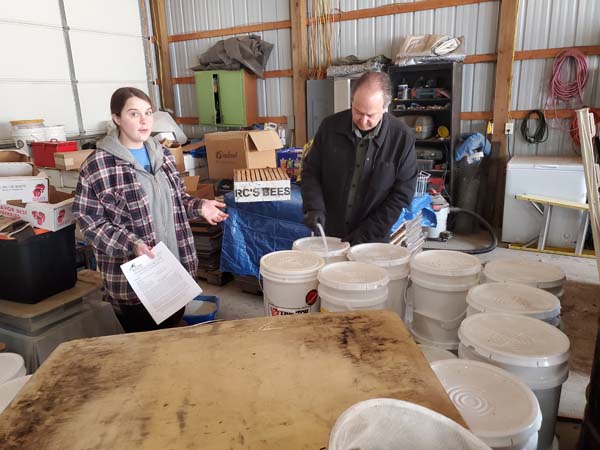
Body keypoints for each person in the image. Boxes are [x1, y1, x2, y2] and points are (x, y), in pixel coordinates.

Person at [73, 87, 228, 333]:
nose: (144, 121)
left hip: (174, 267)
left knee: (171, 332)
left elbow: (178, 200)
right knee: (143, 343)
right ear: (116, 118)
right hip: (135, 280)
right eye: (134, 114)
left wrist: (201, 206)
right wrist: (131, 243)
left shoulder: (162, 154)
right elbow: (90, 222)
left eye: (148, 113)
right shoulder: (98, 165)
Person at [301, 71, 417, 245]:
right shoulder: (329, 127)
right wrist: (314, 208)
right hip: (330, 236)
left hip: (372, 240)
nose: (363, 121)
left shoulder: (402, 138)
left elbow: (401, 195)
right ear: (352, 101)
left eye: (371, 116)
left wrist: (366, 234)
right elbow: (311, 172)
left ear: (385, 107)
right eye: (357, 112)